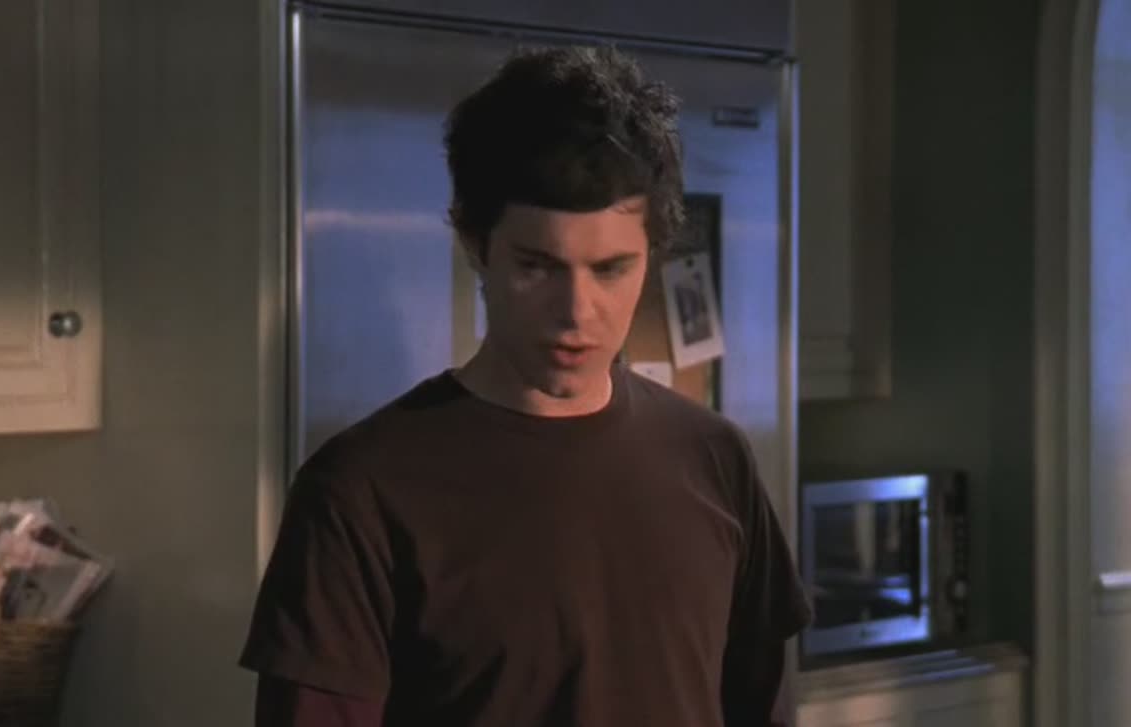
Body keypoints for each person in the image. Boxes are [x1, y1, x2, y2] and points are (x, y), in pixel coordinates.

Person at [240, 45, 812, 727]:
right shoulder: (359, 494)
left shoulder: (715, 459)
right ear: (475, 243)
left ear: (652, 256)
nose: (577, 312)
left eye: (611, 269)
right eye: (537, 266)